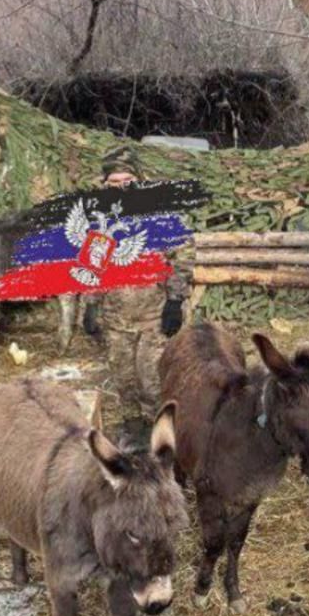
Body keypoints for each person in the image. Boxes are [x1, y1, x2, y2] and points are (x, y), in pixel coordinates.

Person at [87, 146, 190, 417]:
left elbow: (181, 257)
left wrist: (175, 301)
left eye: (128, 182)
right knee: (123, 381)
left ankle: (159, 430)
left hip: (153, 318)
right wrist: (91, 306)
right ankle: (132, 429)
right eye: (114, 183)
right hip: (116, 320)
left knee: (152, 381)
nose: (121, 188)